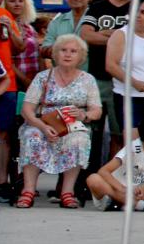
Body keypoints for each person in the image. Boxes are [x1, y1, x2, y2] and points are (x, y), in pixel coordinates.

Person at [15, 34, 101, 209]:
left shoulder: (88, 80)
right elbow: (27, 110)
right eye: (63, 50)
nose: (68, 54)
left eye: (73, 51)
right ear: (55, 54)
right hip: (42, 123)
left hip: (72, 125)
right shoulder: (42, 77)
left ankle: (67, 192)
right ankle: (28, 190)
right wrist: (43, 127)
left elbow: (96, 111)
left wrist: (83, 115)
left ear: (81, 57)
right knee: (33, 136)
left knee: (79, 139)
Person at [79, 0, 136, 158]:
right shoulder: (97, 8)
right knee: (91, 131)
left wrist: (105, 36)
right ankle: (87, 180)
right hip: (98, 78)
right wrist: (120, 40)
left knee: (119, 133)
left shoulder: (138, 9)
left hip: (125, 79)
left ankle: (113, 181)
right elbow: (86, 35)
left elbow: (140, 39)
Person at [105, 0, 144, 139]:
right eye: (135, 11)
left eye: (143, 12)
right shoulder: (121, 34)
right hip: (130, 97)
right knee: (133, 144)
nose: (138, 15)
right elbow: (111, 65)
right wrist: (135, 83)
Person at [87, 116, 144, 211]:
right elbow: (103, 171)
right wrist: (122, 189)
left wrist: (143, 187)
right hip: (114, 191)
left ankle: (128, 203)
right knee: (93, 179)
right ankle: (138, 204)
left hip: (136, 193)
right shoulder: (132, 148)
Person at [0, 0, 22, 203]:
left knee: (2, 135)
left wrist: (9, 30)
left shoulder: (5, 14)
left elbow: (19, 47)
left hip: (6, 82)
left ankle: (1, 183)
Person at [40, 0, 93, 69]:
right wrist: (60, 48)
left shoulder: (98, 18)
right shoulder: (57, 22)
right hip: (63, 78)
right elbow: (44, 51)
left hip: (93, 79)